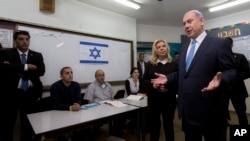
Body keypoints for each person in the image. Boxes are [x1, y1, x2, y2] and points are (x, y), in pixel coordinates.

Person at [151, 10, 236, 141]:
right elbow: (183, 74)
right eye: (184, 23)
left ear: (202, 21)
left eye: (189, 21)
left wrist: (221, 80)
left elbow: (231, 71)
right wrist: (168, 78)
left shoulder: (219, 43)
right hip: (188, 112)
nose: (186, 26)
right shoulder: (184, 48)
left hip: (211, 112)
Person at [0, 30, 45, 141]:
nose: (25, 42)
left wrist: (16, 69)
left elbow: (41, 71)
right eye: (21, 39)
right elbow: (3, 69)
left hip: (31, 94)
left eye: (27, 39)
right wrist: (26, 66)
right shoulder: (6, 53)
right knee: (8, 124)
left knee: (27, 124)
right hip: (11, 94)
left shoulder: (37, 55)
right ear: (15, 41)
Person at [143, 39, 178, 141]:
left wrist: (167, 87)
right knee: (154, 127)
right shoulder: (150, 64)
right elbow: (144, 81)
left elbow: (178, 82)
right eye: (158, 47)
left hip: (169, 100)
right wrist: (153, 86)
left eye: (163, 46)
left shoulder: (174, 64)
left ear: (167, 48)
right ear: (155, 50)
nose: (161, 48)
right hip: (154, 101)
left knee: (169, 126)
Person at [225, 37, 249, 125]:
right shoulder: (217, 58)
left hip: (238, 90)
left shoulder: (240, 57)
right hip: (223, 91)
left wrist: (235, 76)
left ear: (232, 45)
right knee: (221, 113)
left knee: (241, 113)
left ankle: (242, 133)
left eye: (228, 44)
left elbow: (248, 72)